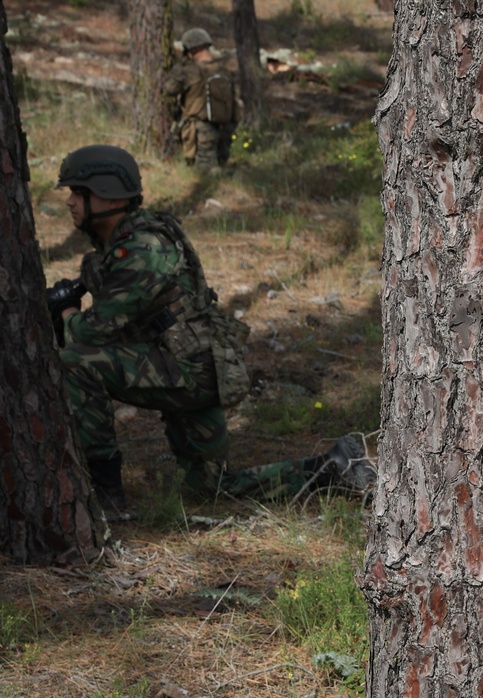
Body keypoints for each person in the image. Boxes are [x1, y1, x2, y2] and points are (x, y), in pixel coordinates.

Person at [49, 145, 373, 519]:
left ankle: (107, 496)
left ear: (107, 196)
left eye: (77, 192)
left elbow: (91, 334)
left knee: (76, 361)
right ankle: (332, 468)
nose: (69, 202)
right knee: (210, 488)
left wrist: (65, 310)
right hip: (192, 365)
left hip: (189, 373)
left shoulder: (143, 249)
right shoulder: (128, 242)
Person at [165, 28, 240, 171]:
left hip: (201, 128)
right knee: (221, 161)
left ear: (191, 49)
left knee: (204, 171)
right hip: (226, 126)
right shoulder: (223, 69)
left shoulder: (188, 70)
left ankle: (224, 186)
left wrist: (176, 69)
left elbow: (169, 90)